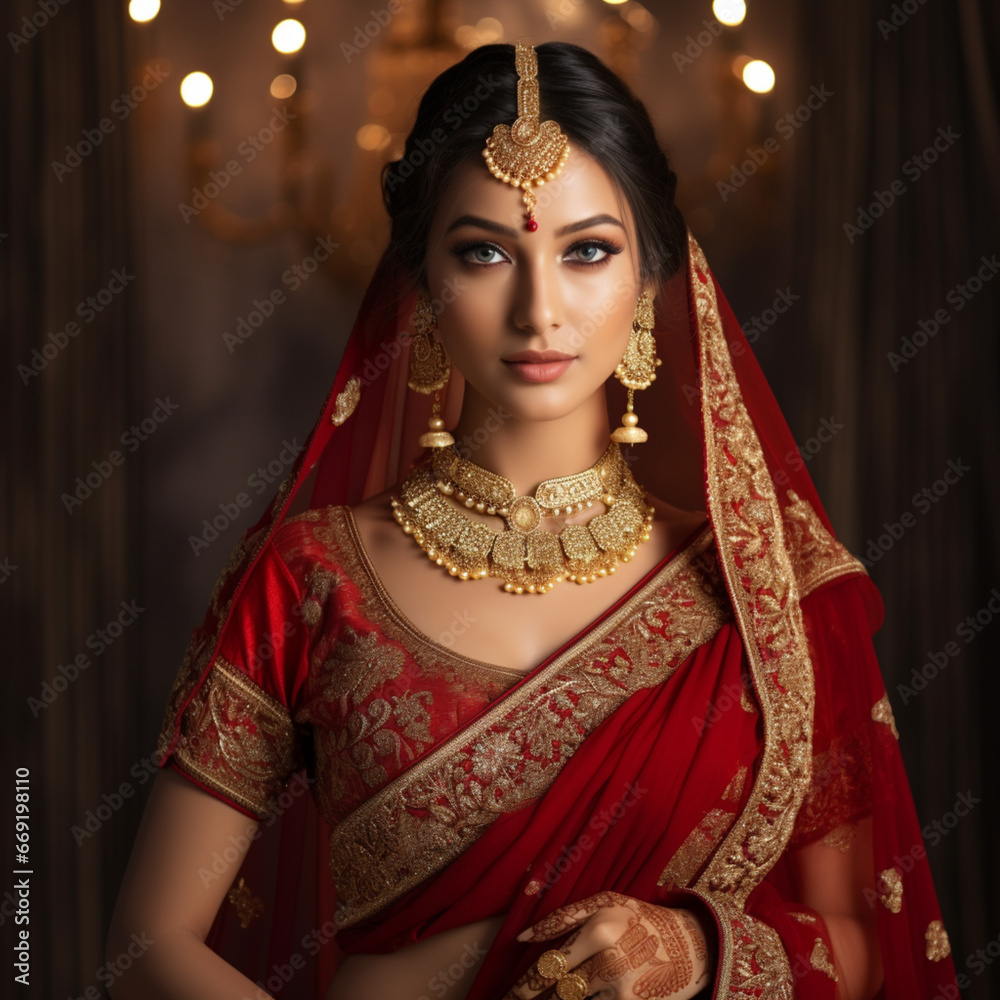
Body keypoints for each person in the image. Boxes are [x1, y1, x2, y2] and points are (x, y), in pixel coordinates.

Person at [106, 40, 959, 1000]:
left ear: (647, 285)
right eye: (484, 253)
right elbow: (150, 943)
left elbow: (868, 937)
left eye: (587, 250)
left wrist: (698, 952)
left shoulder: (766, 599)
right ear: (423, 291)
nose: (539, 308)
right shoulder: (311, 576)